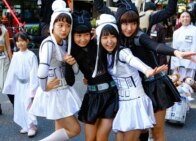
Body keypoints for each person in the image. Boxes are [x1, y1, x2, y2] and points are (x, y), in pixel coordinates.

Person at [93, 0, 196, 140]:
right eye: (125, 23)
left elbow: (155, 45)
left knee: (156, 131)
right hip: (130, 91)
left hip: (153, 85)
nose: (129, 28)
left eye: (133, 23)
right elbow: (100, 5)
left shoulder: (140, 36)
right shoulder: (114, 37)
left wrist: (176, 52)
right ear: (119, 22)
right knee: (135, 132)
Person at [95, 14, 167, 141]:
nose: (110, 41)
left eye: (113, 36)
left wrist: (147, 70)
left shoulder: (122, 52)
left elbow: (133, 60)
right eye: (105, 37)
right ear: (99, 39)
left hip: (136, 102)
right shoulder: (105, 56)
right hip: (123, 104)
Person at [29, 0, 81, 140]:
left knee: (61, 130)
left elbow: (75, 71)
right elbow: (41, 70)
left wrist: (72, 62)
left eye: (68, 25)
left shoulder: (64, 43)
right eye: (60, 25)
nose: (64, 29)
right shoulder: (48, 43)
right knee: (75, 129)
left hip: (62, 90)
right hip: (54, 92)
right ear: (53, 25)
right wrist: (44, 87)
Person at [65, 10, 119, 141]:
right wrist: (67, 64)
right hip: (92, 96)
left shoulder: (99, 43)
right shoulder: (71, 51)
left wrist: (101, 34)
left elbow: (114, 38)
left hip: (111, 94)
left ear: (91, 33)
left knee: (101, 137)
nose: (82, 39)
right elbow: (70, 81)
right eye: (78, 35)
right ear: (73, 35)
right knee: (90, 139)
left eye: (86, 35)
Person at [2, 32, 38, 137]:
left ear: (27, 41)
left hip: (28, 84)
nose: (20, 43)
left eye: (22, 40)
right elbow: (12, 71)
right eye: (17, 41)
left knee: (28, 105)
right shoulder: (16, 55)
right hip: (19, 85)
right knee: (20, 105)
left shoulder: (31, 55)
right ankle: (25, 125)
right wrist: (9, 84)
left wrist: (33, 88)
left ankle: (32, 126)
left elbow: (34, 72)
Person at [170, 11, 196, 81]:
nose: (185, 18)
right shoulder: (176, 32)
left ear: (190, 18)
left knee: (188, 82)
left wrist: (188, 63)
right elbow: (174, 48)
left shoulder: (195, 30)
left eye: (187, 16)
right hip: (179, 59)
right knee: (177, 82)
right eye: (183, 17)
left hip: (190, 59)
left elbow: (195, 47)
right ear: (179, 19)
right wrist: (176, 63)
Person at [0, 21, 13, 114]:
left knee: (6, 84)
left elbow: (8, 47)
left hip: (4, 61)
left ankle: (15, 104)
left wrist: (12, 61)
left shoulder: (3, 30)